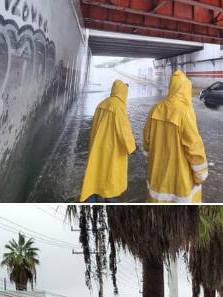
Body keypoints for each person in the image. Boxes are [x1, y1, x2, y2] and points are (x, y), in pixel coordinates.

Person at [143, 70, 208, 202]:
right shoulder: (185, 113)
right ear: (185, 88)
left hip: (157, 179)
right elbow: (194, 147)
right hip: (181, 183)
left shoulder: (154, 109)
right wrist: (201, 175)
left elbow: (146, 143)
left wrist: (151, 163)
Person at [78, 80, 136, 202]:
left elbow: (93, 127)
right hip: (111, 152)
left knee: (94, 182)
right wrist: (131, 148)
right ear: (123, 93)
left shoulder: (102, 104)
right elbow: (124, 132)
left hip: (97, 149)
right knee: (110, 185)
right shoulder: (119, 107)